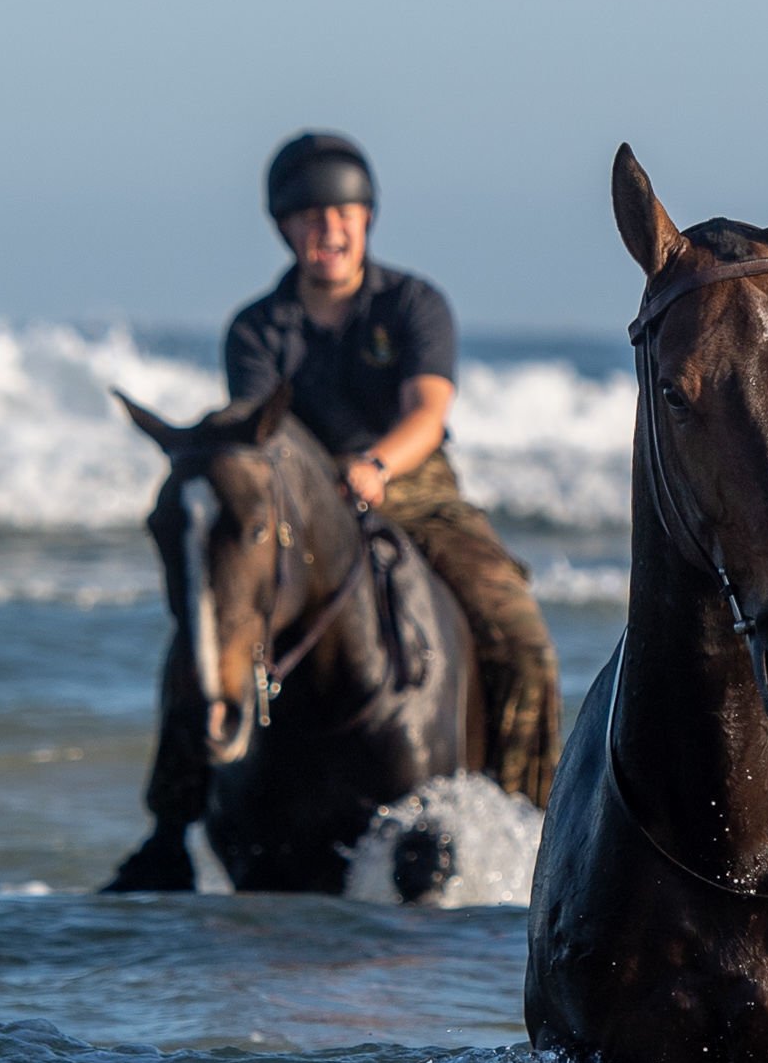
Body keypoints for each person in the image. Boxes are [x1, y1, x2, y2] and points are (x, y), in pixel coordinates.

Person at [221, 131, 561, 805]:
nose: (330, 227)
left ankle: (532, 819)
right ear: (285, 227)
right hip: (303, 513)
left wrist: (374, 464)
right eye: (312, 215)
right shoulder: (257, 330)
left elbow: (428, 411)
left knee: (524, 644)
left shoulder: (413, 305)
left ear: (367, 218)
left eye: (344, 212)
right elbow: (263, 436)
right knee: (205, 636)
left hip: (415, 489)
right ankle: (172, 826)